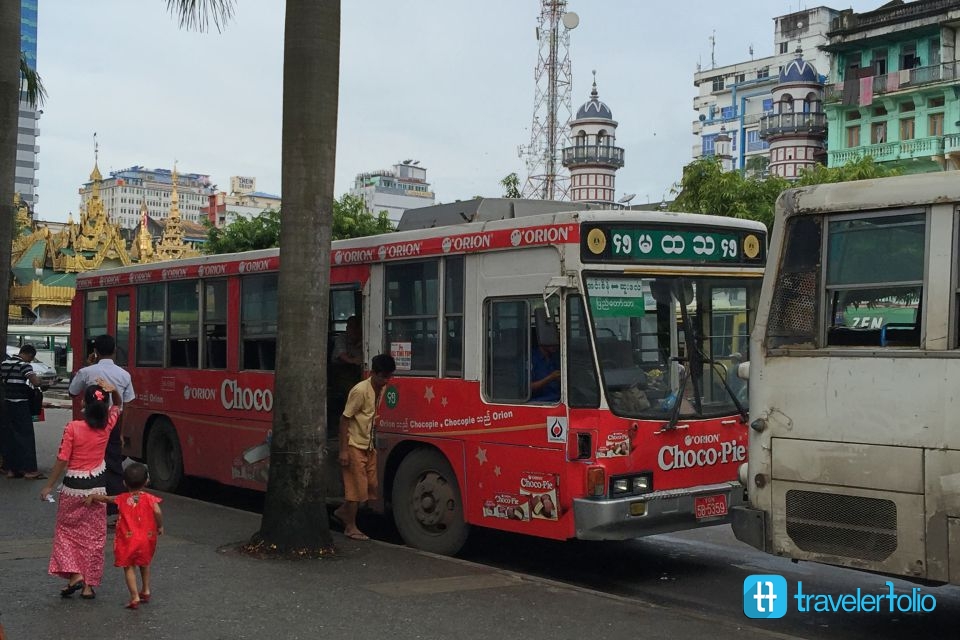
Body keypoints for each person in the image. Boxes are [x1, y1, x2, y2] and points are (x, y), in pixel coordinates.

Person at [40, 379, 122, 600]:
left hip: (73, 489)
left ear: (84, 404)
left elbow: (62, 459)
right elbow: (119, 407)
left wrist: (49, 486)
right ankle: (88, 585)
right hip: (97, 489)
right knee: (94, 537)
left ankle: (75, 573)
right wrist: (114, 391)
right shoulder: (107, 426)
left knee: (67, 533)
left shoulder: (73, 427)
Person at [68, 334, 135, 520]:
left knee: (90, 463)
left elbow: (73, 392)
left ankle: (89, 503)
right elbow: (126, 405)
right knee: (113, 465)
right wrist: (121, 432)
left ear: (95, 352)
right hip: (113, 423)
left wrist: (86, 366)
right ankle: (115, 509)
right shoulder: (124, 374)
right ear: (115, 351)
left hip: (90, 422)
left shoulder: (87, 372)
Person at [332, 353, 396, 541]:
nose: (386, 381)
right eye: (384, 376)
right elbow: (344, 420)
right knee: (356, 489)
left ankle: (343, 512)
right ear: (374, 373)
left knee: (371, 486)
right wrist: (344, 450)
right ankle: (350, 526)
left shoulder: (380, 389)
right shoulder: (359, 391)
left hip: (368, 444)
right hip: (354, 444)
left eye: (389, 376)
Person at [85, 462, 163, 610]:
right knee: (144, 563)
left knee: (129, 567)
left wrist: (93, 496)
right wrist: (160, 526)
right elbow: (158, 512)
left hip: (128, 539)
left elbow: (107, 499)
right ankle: (145, 590)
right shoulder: (150, 498)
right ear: (146, 481)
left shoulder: (122, 498)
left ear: (124, 482)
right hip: (147, 537)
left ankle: (134, 596)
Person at [1, 345, 45, 479]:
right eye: (31, 359)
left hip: (7, 404)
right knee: (26, 436)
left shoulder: (4, 363)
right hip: (21, 404)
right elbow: (35, 382)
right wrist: (40, 380)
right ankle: (29, 470)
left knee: (10, 437)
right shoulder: (24, 365)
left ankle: (11, 469)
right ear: (30, 355)